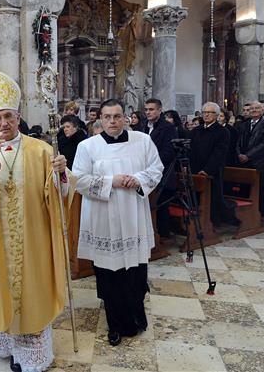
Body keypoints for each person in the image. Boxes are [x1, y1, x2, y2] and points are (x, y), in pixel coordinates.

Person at [0, 69, 73, 372]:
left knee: (33, 295)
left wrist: (61, 173)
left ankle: (32, 356)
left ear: (18, 117)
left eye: (8, 116)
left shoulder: (41, 150)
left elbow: (61, 193)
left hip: (33, 240)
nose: (4, 123)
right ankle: (8, 348)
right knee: (3, 291)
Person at [72, 98, 163, 347]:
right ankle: (115, 324)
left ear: (125, 117)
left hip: (133, 214)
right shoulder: (87, 146)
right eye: (107, 117)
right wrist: (111, 181)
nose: (113, 121)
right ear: (99, 118)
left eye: (117, 116)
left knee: (135, 272)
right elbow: (78, 179)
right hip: (104, 216)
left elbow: (156, 169)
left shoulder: (143, 141)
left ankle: (136, 317)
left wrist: (138, 179)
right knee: (109, 274)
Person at [189, 102, 238, 226]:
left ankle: (211, 223)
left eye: (209, 112)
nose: (206, 115)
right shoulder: (196, 130)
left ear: (216, 115)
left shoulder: (222, 132)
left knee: (212, 198)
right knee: (195, 197)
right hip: (195, 170)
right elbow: (190, 150)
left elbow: (219, 153)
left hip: (211, 172)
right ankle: (195, 223)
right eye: (204, 112)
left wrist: (207, 169)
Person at [144, 98, 177, 241]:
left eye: (151, 109)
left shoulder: (168, 128)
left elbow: (168, 152)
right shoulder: (144, 126)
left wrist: (152, 165)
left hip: (162, 173)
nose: (148, 112)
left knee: (161, 205)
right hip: (145, 172)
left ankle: (162, 235)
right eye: (146, 110)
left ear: (159, 110)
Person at [236, 101, 264, 217]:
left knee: (260, 191)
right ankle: (245, 215)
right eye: (251, 108)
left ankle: (260, 215)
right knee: (244, 189)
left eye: (257, 108)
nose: (254, 110)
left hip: (259, 163)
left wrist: (248, 156)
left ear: (262, 110)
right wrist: (239, 154)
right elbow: (237, 142)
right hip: (244, 162)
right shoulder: (244, 125)